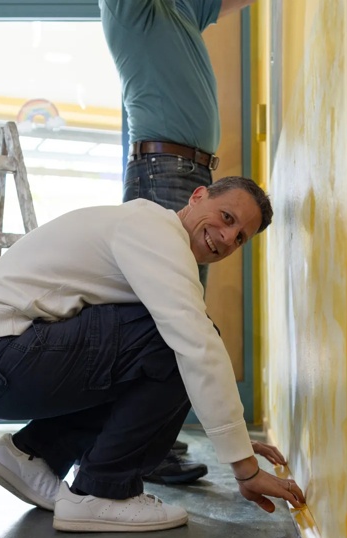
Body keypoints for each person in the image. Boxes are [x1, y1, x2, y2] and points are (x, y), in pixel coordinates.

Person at [0, 177, 305, 532]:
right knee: (176, 338)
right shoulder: (155, 232)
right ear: (198, 196)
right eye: (227, 217)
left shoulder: (149, 233)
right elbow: (196, 344)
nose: (227, 238)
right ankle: (104, 493)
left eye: (240, 237)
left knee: (159, 344)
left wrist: (235, 435)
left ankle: (34, 456)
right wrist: (246, 468)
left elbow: (138, 370)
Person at [100, 0, 257, 484]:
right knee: (167, 319)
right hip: (164, 169)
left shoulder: (181, 10)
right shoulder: (132, 11)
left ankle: (149, 444)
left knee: (177, 315)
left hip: (184, 170)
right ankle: (139, 449)